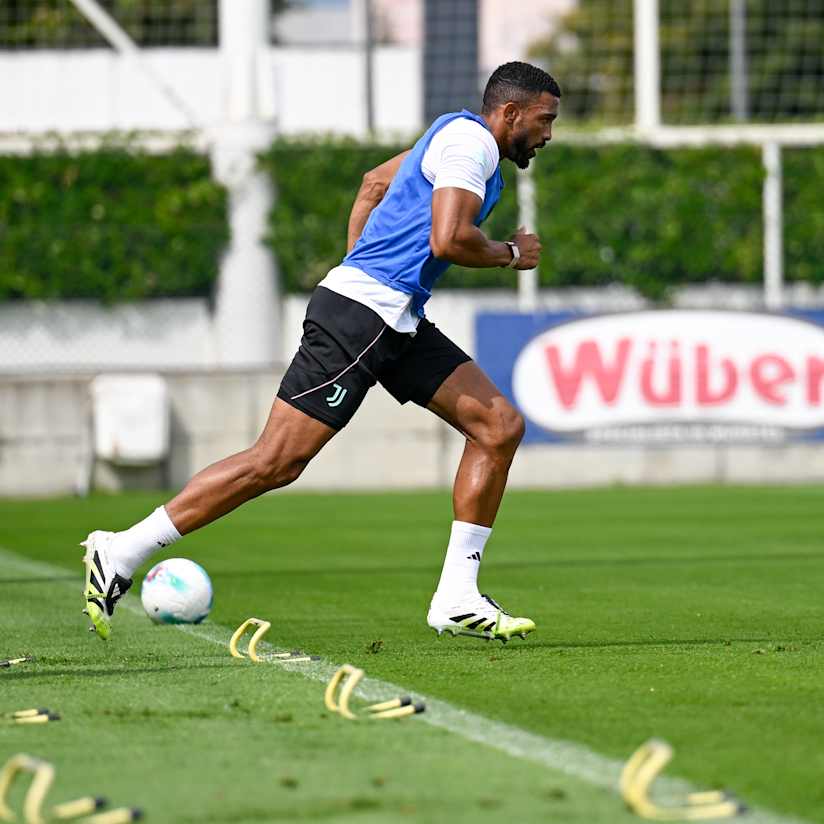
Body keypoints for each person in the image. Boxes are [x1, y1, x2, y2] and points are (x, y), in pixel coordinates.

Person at [82, 60, 561, 644]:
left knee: (498, 426)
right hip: (365, 316)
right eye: (544, 119)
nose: (548, 134)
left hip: (392, 316)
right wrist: (511, 253)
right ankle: (122, 550)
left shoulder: (451, 133)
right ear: (509, 112)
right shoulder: (472, 145)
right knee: (275, 461)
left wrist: (361, 267)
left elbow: (373, 184)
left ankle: (457, 598)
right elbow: (449, 239)